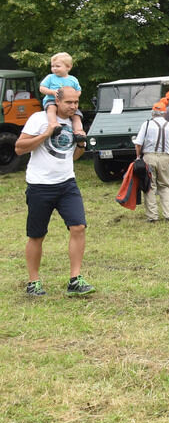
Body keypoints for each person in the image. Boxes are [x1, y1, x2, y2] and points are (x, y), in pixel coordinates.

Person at [16, 87, 95, 296]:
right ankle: (34, 282)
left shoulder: (74, 123)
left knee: (78, 227)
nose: (73, 107)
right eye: (69, 102)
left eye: (76, 102)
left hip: (67, 184)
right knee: (36, 235)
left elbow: (74, 157)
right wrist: (46, 134)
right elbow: (19, 147)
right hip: (39, 185)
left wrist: (80, 144)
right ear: (56, 101)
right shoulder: (39, 118)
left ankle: (75, 279)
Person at [133, 99, 169, 223]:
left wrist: (138, 157)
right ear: (165, 113)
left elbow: (138, 144)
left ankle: (152, 216)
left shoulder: (147, 124)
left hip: (149, 157)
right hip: (166, 158)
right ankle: (168, 215)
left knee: (149, 186)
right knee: (166, 185)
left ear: (152, 113)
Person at [38, 52, 85, 139]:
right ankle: (54, 124)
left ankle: (78, 131)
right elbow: (42, 88)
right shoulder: (50, 77)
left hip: (68, 103)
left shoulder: (73, 80)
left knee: (76, 115)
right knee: (51, 108)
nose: (54, 69)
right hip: (52, 100)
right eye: (52, 66)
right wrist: (52, 92)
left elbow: (78, 91)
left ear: (68, 67)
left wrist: (74, 98)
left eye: (57, 66)